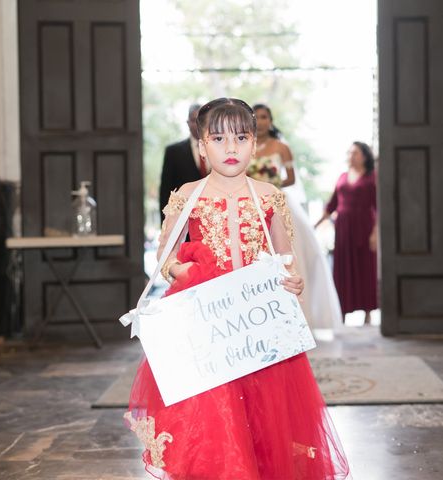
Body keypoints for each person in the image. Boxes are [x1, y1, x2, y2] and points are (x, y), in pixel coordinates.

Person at [125, 98, 350, 479]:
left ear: (254, 144)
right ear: (202, 145)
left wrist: (290, 279)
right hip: (208, 322)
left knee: (267, 415)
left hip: (256, 323)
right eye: (218, 138)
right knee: (215, 414)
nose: (231, 148)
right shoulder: (187, 196)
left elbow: (285, 256)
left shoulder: (268, 196)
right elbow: (166, 257)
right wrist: (185, 273)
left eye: (241, 137)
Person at [248, 103, 343, 331]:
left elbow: (290, 178)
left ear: (270, 121)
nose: (260, 121)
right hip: (251, 204)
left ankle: (298, 314)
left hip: (278, 202)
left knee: (291, 254)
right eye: (256, 117)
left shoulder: (281, 148)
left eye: (264, 117)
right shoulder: (245, 146)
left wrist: (271, 185)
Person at [316, 142, 378, 325]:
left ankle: (368, 313)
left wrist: (375, 233)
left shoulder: (372, 177)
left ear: (365, 156)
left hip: (364, 227)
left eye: (355, 152)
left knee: (365, 268)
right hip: (343, 229)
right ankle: (342, 313)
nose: (351, 155)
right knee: (342, 270)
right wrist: (314, 225)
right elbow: (331, 204)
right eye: (350, 152)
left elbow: (379, 206)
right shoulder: (342, 176)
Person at [158, 103, 208, 221]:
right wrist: (166, 223)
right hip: (183, 219)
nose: (198, 125)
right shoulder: (173, 152)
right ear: (187, 123)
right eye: (194, 120)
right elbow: (166, 190)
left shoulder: (218, 148)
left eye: (202, 120)